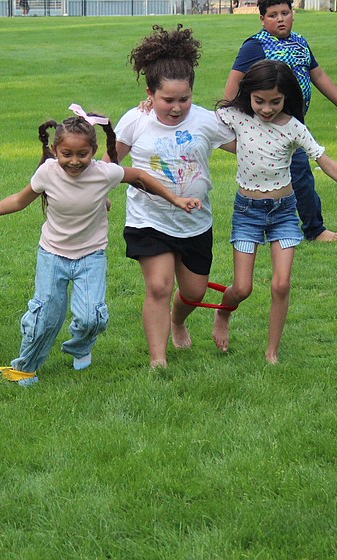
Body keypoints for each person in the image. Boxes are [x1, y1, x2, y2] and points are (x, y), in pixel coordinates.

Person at [0, 105, 202, 385]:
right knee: (44, 317)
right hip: (52, 254)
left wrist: (175, 199)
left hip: (91, 256)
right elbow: (18, 200)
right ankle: (25, 368)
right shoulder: (47, 173)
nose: (74, 161)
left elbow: (139, 177)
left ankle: (80, 345)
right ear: (54, 150)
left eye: (82, 154)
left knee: (92, 318)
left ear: (93, 151)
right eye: (67, 154)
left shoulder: (104, 173)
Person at [215, 60, 337, 363]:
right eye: (259, 101)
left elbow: (326, 162)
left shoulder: (293, 127)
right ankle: (223, 316)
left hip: (283, 213)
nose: (267, 109)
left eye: (275, 102)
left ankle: (271, 352)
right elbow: (189, 118)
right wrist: (150, 106)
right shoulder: (234, 117)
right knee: (242, 288)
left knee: (281, 284)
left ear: (287, 97)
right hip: (247, 212)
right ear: (249, 95)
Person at [113, 24, 236, 369]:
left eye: (184, 99)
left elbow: (244, 145)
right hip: (148, 220)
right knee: (158, 286)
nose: (177, 107)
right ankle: (158, 360)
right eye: (168, 100)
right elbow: (109, 163)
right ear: (150, 94)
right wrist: (98, 196)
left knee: (194, 292)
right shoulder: (135, 121)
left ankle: (178, 320)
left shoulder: (205, 121)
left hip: (195, 221)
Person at [224, 0, 337, 243]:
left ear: (293, 14)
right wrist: (232, 119)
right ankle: (313, 229)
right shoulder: (255, 46)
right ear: (262, 19)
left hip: (293, 123)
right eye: (272, 15)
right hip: (268, 126)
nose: (280, 19)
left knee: (298, 176)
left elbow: (317, 75)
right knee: (297, 174)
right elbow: (233, 84)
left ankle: (290, 227)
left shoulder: (300, 43)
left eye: (285, 13)